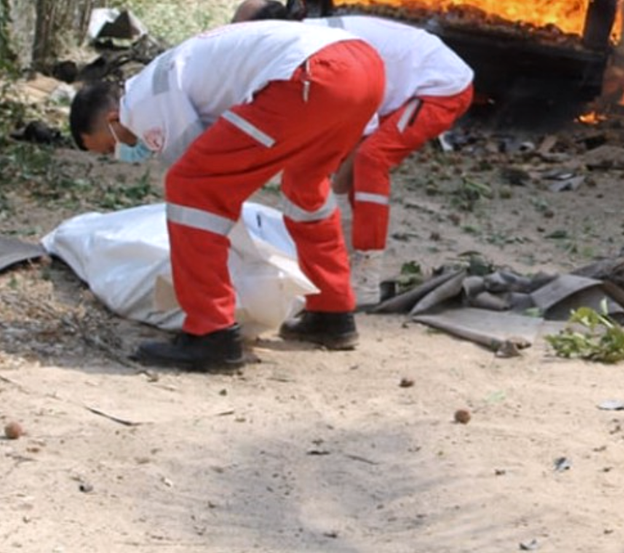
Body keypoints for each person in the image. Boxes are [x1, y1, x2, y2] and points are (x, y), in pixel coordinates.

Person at [69, 20, 386, 371]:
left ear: (114, 117)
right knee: (305, 184)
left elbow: (203, 177)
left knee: (190, 187)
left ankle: (210, 334)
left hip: (310, 75)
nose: (119, 154)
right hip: (363, 68)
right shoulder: (175, 70)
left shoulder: (142, 102)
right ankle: (333, 314)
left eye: (109, 147)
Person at [300, 15, 474, 251]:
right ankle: (346, 236)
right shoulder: (305, 40)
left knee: (372, 158)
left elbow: (362, 128)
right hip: (402, 82)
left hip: (442, 87)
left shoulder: (327, 59)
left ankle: (368, 257)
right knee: (346, 156)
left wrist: (337, 194)